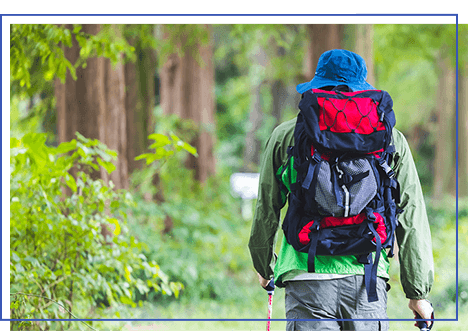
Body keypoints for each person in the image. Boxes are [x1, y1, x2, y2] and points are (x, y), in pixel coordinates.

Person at [248, 49, 434, 331]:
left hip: (306, 275)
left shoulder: (287, 135)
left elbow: (266, 208)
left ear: (317, 86)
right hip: (366, 279)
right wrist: (417, 293)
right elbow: (411, 214)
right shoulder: (389, 138)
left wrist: (264, 266)